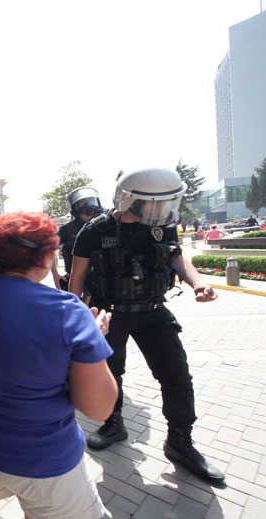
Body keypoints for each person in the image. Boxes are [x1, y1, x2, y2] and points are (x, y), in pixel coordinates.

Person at [0, 211, 117, 519]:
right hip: (42, 456)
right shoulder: (68, 312)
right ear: (47, 257)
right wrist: (96, 338)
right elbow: (99, 408)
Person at [70, 167, 225, 483]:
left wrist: (197, 284)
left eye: (164, 203)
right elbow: (77, 279)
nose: (160, 210)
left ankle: (180, 442)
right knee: (110, 373)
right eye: (153, 203)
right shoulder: (95, 231)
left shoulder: (165, 226)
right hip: (110, 314)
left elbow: (179, 260)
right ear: (128, 201)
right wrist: (77, 321)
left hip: (153, 311)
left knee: (177, 375)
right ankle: (113, 424)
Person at [51, 187, 105, 290]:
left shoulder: (105, 225)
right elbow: (47, 246)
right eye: (83, 202)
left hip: (100, 282)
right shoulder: (68, 229)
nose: (88, 205)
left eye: (90, 200)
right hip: (74, 281)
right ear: (75, 207)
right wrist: (55, 274)